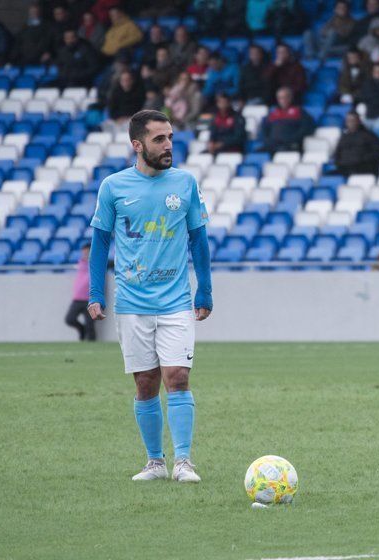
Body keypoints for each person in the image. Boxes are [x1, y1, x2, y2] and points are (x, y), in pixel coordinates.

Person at [87, 110, 212, 483]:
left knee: (177, 376)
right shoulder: (113, 187)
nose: (169, 145)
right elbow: (100, 243)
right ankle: (155, 462)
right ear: (137, 145)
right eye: (159, 139)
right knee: (146, 383)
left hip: (175, 301)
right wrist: (97, 291)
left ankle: (184, 461)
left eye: (170, 137)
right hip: (132, 303)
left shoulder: (186, 183)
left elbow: (199, 239)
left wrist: (204, 287)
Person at [259, 87, 315, 152]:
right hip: (272, 146)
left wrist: (292, 139)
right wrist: (268, 142)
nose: (283, 100)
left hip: (290, 146)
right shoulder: (272, 114)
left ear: (290, 98)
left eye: (285, 97)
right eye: (280, 98)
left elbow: (307, 128)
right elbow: (264, 130)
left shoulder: (299, 112)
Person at [333, 112, 379, 176]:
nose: (351, 123)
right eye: (348, 121)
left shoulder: (369, 136)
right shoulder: (343, 137)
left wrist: (361, 159)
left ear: (359, 121)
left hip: (362, 169)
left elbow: (378, 152)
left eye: (353, 120)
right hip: (344, 168)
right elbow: (337, 155)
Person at [65, 242, 96, 341]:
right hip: (78, 299)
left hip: (91, 300)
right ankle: (81, 330)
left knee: (90, 325)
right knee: (69, 319)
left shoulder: (96, 264)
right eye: (84, 253)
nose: (86, 255)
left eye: (88, 252)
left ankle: (93, 346)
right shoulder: (81, 263)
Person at [358, 63, 379, 136]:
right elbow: (364, 97)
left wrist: (373, 100)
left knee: (378, 133)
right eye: (376, 71)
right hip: (368, 115)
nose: (378, 73)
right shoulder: (367, 83)